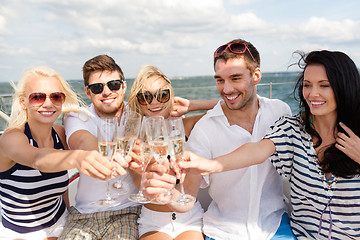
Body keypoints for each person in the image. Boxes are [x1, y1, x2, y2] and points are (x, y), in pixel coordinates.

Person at [181, 50, 360, 239]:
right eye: (307, 85)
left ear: (343, 86)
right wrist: (208, 164)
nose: (313, 94)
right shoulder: (292, 128)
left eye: (324, 85)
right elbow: (256, 150)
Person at [143, 38, 296, 239]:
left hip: (275, 225)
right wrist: (167, 194)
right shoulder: (205, 129)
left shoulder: (280, 111)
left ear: (256, 76)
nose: (226, 89)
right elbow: (188, 197)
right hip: (224, 232)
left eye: (235, 78)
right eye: (220, 80)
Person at [0, 66, 121, 240]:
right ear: (22, 102)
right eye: (37, 97)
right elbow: (37, 159)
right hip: (19, 233)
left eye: (56, 96)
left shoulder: (61, 135)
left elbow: (61, 184)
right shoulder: (11, 139)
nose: (48, 103)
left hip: (60, 223)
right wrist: (79, 157)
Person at [127, 65, 215, 240]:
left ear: (171, 96)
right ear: (138, 101)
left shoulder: (186, 127)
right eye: (145, 97)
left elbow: (230, 108)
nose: (154, 102)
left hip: (189, 217)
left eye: (162, 95)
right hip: (153, 220)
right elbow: (140, 186)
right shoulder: (134, 138)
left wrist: (191, 105)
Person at [59, 55, 140, 240]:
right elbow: (82, 142)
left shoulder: (137, 114)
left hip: (127, 211)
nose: (106, 92)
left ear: (124, 86)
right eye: (97, 87)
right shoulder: (77, 116)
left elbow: (172, 115)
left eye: (113, 85)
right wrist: (107, 154)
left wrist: (198, 105)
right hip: (83, 215)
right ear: (88, 93)